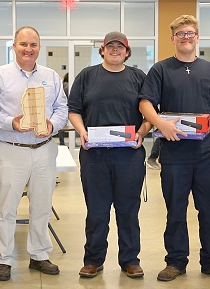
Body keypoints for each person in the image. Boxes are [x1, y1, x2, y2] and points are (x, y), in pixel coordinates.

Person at [138, 15, 210, 282]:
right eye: (180, 34)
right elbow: (145, 104)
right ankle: (176, 261)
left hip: (207, 156)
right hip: (175, 156)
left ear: (197, 37)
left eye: (190, 33)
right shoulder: (161, 70)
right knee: (176, 211)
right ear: (173, 39)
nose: (186, 37)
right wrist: (161, 125)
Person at [0, 26, 68, 282]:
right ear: (14, 46)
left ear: (39, 47)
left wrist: (52, 124)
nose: (28, 49)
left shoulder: (50, 76)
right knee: (6, 208)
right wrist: (10, 122)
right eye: (23, 44)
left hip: (44, 150)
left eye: (33, 45)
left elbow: (62, 108)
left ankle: (39, 255)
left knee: (41, 205)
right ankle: (5, 259)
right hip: (12, 149)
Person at [68, 31, 151, 279]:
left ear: (127, 52)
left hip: (129, 156)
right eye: (110, 46)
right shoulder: (87, 76)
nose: (115, 50)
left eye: (120, 46)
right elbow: (74, 110)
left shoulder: (138, 77)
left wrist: (141, 133)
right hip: (95, 156)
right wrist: (82, 132)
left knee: (128, 211)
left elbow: (150, 114)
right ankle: (93, 260)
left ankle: (130, 260)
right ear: (102, 50)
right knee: (97, 211)